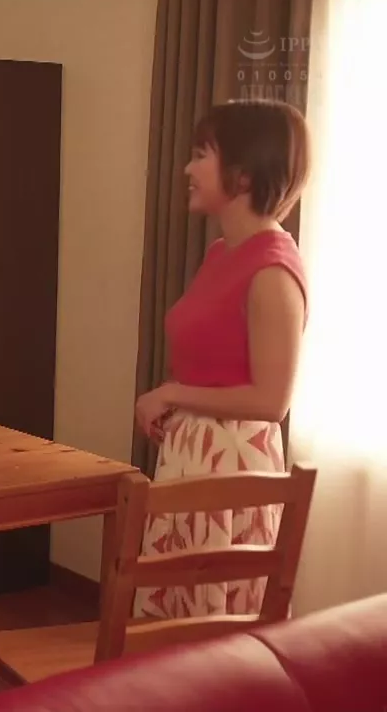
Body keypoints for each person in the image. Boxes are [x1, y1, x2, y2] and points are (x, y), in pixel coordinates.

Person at [133, 99, 310, 619]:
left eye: (201, 155)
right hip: (192, 457)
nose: (187, 169)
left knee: (211, 630)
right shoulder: (221, 253)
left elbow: (271, 401)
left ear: (243, 172)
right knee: (175, 621)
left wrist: (171, 393)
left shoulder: (272, 269)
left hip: (231, 466)